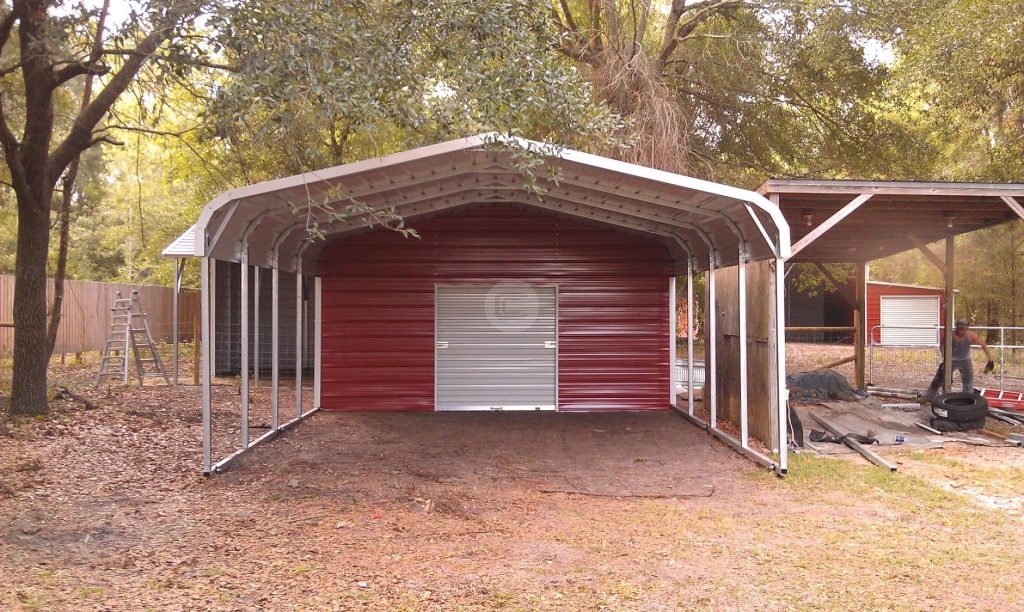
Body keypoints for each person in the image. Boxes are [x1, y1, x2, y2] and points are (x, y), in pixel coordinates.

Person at [924, 318, 995, 398]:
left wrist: (990, 360)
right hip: (951, 359)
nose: (962, 331)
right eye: (960, 329)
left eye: (964, 329)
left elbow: (983, 345)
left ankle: (968, 399)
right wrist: (945, 358)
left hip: (965, 359)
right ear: (957, 328)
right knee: (939, 378)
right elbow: (942, 345)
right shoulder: (950, 334)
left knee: (968, 381)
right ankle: (928, 397)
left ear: (967, 329)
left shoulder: (971, 335)